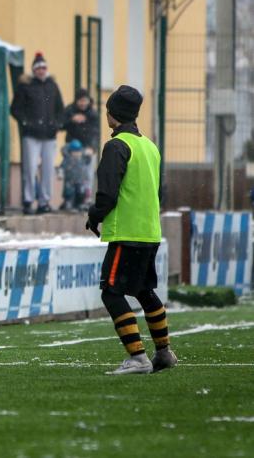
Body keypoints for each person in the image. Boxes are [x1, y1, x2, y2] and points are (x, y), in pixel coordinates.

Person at [86, 85, 177, 375]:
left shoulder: (116, 146)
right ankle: (163, 352)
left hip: (127, 232)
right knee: (143, 290)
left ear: (112, 114)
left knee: (111, 292)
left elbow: (108, 193)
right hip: (149, 232)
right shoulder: (149, 147)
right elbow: (158, 191)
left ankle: (137, 356)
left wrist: (94, 215)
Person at [10, 52, 64, 215]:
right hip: (31, 135)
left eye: (43, 68)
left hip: (49, 135)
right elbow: (15, 109)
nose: (41, 71)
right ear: (34, 70)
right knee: (30, 168)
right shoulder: (25, 86)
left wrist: (56, 124)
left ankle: (44, 201)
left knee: (48, 169)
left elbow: (60, 109)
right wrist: (26, 122)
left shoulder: (52, 86)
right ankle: (28, 200)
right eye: (38, 68)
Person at [63, 88, 99, 207]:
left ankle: (86, 198)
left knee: (87, 174)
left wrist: (92, 148)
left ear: (88, 100)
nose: (83, 103)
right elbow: (60, 124)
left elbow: (95, 132)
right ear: (76, 100)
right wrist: (71, 120)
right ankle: (70, 199)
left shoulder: (92, 113)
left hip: (87, 147)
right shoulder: (70, 110)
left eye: (85, 100)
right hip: (73, 147)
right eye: (80, 101)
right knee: (71, 174)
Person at [59, 139, 88, 212]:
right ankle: (68, 203)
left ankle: (80, 204)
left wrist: (88, 153)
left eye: (78, 151)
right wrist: (60, 174)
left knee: (81, 192)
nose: (76, 153)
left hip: (80, 180)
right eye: (74, 152)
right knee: (69, 192)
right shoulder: (67, 159)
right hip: (70, 180)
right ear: (70, 151)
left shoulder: (82, 159)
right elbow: (61, 167)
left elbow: (88, 160)